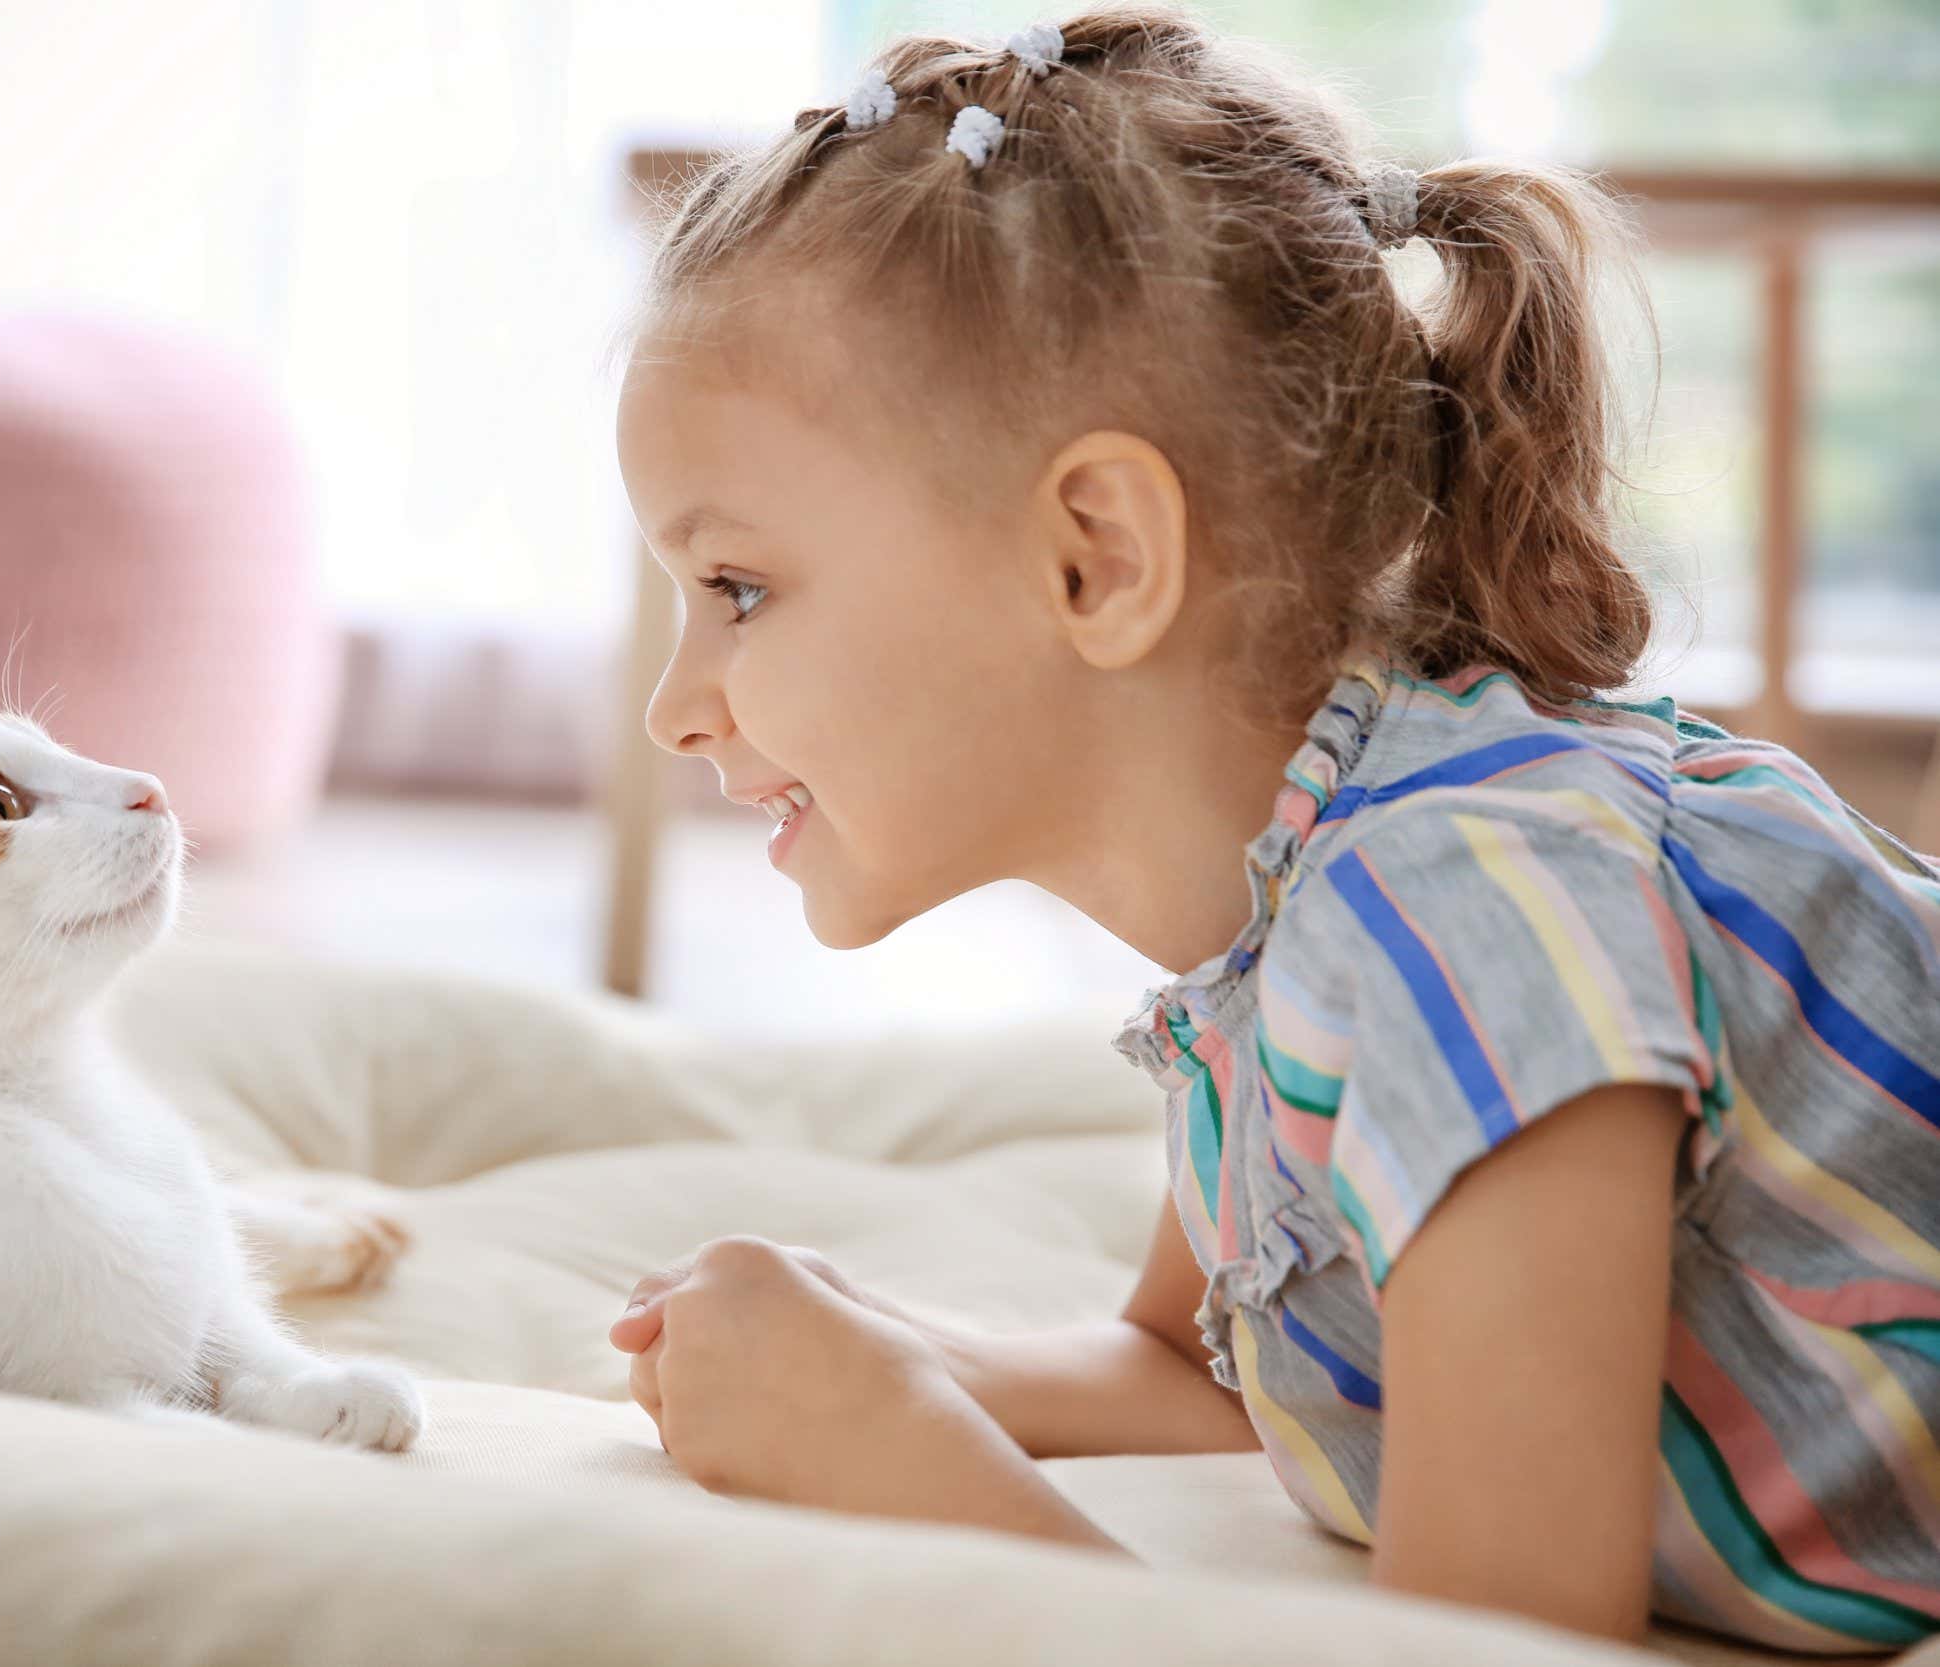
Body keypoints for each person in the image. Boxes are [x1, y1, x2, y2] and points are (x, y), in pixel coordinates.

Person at [605, 8, 1940, 1651]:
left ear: (1097, 555)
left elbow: (1493, 1651)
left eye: (737, 588)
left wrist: (899, 1467)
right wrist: (897, 1359)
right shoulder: (1288, 925)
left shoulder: (1467, 914)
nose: (676, 703)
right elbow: (1209, 1376)